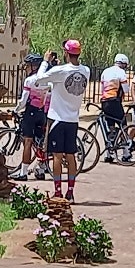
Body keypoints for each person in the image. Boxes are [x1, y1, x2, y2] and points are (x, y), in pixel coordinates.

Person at [25, 40, 90, 200]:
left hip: (57, 119)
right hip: (73, 119)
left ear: (66, 53)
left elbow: (38, 79)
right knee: (71, 156)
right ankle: (71, 192)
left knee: (57, 156)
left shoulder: (60, 71)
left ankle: (58, 190)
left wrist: (45, 62)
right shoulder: (86, 71)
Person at [9, 54, 51, 181]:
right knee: (40, 142)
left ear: (34, 67)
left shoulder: (30, 80)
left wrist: (15, 110)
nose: (26, 68)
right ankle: (41, 170)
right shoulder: (47, 81)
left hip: (31, 113)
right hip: (42, 113)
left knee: (27, 142)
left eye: (27, 66)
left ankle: (23, 173)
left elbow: (23, 101)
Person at [98, 54, 132, 162]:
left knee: (110, 127)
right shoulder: (121, 72)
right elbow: (126, 89)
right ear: (123, 64)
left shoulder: (105, 71)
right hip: (115, 101)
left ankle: (109, 154)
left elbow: (101, 88)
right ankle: (126, 153)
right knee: (123, 125)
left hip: (104, 102)